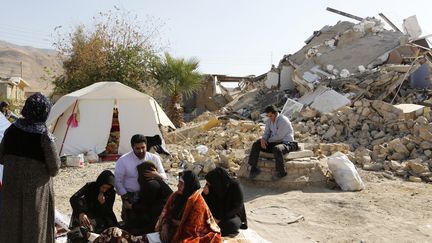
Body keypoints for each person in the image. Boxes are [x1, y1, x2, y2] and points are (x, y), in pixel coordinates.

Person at [0, 92, 61, 243]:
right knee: (33, 231)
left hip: (11, 191)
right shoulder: (44, 137)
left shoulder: (11, 130)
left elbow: (0, 157)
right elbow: (54, 168)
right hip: (34, 196)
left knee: (11, 229)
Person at [156, 170, 222, 243]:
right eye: (179, 182)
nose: (177, 185)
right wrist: (165, 225)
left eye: (181, 184)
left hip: (189, 234)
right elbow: (166, 213)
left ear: (188, 185)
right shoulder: (175, 196)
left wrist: (175, 224)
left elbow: (192, 229)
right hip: (172, 229)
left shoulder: (198, 203)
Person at [114, 134, 167, 225]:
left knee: (150, 220)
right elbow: (117, 181)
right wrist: (125, 196)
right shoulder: (123, 160)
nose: (141, 151)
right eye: (137, 149)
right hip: (131, 194)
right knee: (132, 222)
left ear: (146, 146)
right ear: (132, 147)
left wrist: (157, 175)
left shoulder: (154, 158)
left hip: (150, 193)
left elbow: (164, 177)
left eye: (143, 147)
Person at [122, 161, 173, 235]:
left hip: (156, 220)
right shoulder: (158, 182)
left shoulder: (151, 185)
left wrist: (131, 206)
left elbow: (145, 207)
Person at [248, 105, 297, 179]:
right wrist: (263, 139)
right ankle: (253, 168)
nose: (269, 118)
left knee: (277, 149)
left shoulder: (283, 120)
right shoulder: (269, 121)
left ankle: (282, 172)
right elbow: (267, 132)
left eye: (271, 116)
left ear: (275, 113)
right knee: (256, 144)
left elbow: (279, 137)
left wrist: (266, 141)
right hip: (275, 141)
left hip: (287, 143)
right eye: (268, 116)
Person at [202, 167, 248, 237]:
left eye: (209, 183)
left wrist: (220, 219)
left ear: (217, 181)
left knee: (230, 225)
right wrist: (205, 195)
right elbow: (202, 204)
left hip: (230, 216)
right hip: (214, 215)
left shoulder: (235, 185)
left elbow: (237, 207)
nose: (208, 184)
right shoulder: (211, 185)